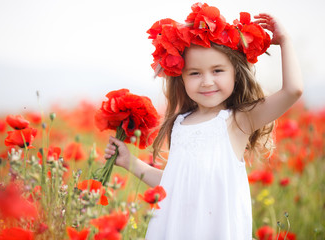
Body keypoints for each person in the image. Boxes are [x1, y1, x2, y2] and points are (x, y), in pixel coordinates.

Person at [104, 3, 303, 239]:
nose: (206, 81)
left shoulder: (239, 120)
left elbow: (293, 90)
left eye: (217, 70)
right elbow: (173, 183)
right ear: (182, 78)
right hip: (175, 229)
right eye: (195, 73)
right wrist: (130, 162)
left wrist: (286, 41)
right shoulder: (180, 124)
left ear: (235, 74)